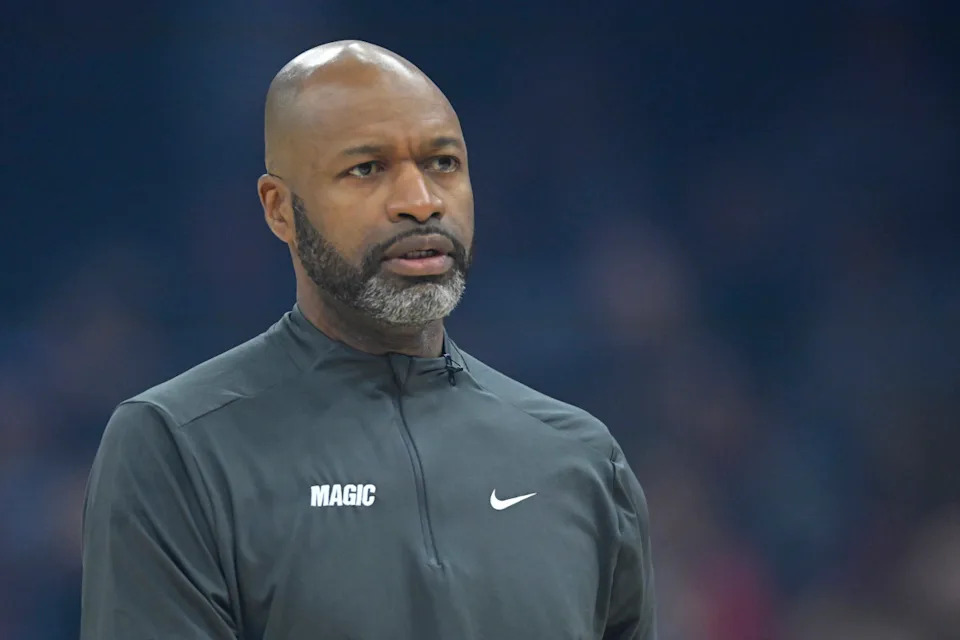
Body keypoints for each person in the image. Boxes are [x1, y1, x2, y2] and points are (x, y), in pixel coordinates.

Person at [80, 40, 657, 640]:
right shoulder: (179, 447)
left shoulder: (581, 460)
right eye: (366, 168)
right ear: (280, 209)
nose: (420, 202)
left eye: (443, 163)